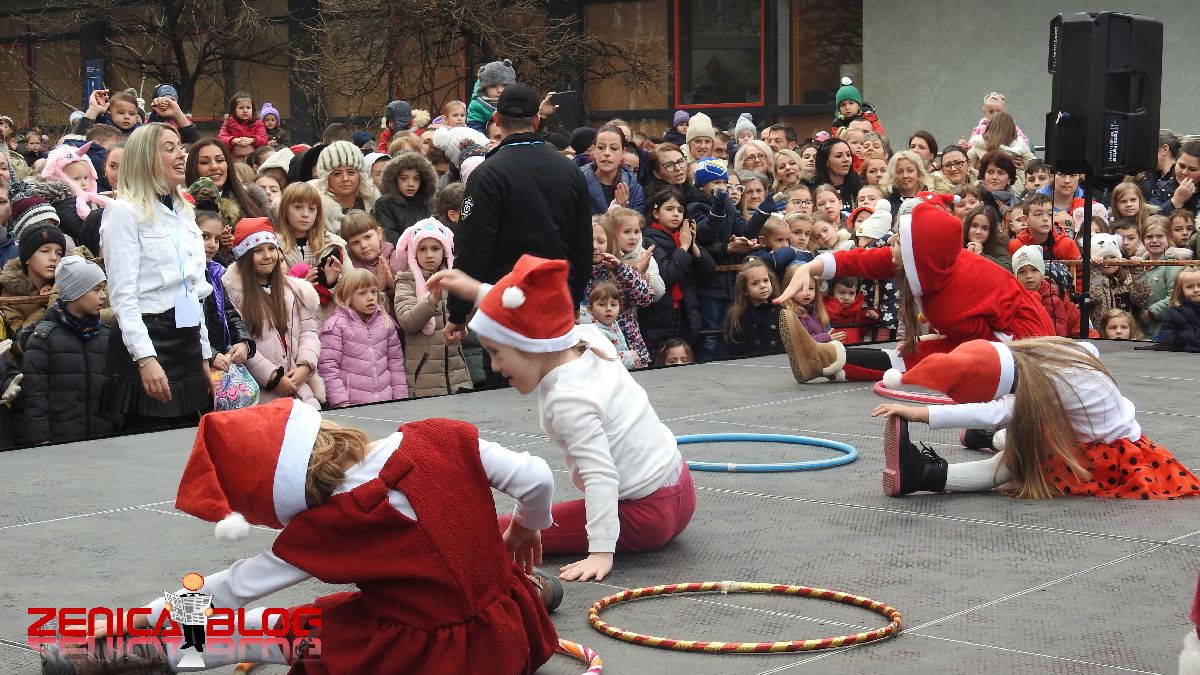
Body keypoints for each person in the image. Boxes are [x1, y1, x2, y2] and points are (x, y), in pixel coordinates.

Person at [40, 397, 562, 673]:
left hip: (431, 661)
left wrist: (134, 617)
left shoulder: (332, 524)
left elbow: (229, 589)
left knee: (275, 628)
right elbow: (537, 477)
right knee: (383, 603)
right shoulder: (440, 437)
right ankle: (530, 590)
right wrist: (524, 527)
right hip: (514, 632)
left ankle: (142, 652)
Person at [430, 255, 696, 582]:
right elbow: (533, 311)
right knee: (525, 522)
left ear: (529, 344)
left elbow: (601, 475)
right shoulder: (588, 338)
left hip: (646, 516)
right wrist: (476, 290)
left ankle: (430, 542)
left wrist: (600, 551)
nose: (495, 367)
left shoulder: (570, 399)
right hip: (681, 489)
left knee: (500, 529)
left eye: (497, 353)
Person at [873, 337, 1199, 499]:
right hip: (1092, 433)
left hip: (1101, 455)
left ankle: (924, 475)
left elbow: (993, 411)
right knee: (1022, 431)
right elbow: (1091, 349)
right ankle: (986, 436)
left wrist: (920, 412)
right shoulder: (1051, 353)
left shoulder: (1049, 387)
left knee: (1010, 464)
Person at [776, 194, 1054, 383]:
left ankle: (825, 359)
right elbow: (861, 260)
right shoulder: (925, 261)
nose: (891, 241)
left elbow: (978, 341)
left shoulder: (947, 304)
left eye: (899, 239)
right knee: (917, 355)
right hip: (997, 332)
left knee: (933, 361)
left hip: (1026, 345)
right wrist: (809, 268)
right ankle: (824, 358)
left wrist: (937, 340)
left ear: (915, 251)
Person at [447, 83, 591, 345]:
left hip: (506, 304)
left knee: (508, 370)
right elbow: (582, 245)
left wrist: (458, 311)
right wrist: (574, 299)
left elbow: (473, 249)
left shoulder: (487, 174)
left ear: (496, 119)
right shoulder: (570, 171)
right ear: (536, 120)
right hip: (556, 300)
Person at [100, 123, 213, 430]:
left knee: (188, 440)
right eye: (169, 148)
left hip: (186, 338)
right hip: (147, 338)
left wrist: (203, 354)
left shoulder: (184, 210)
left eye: (180, 147)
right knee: (150, 442)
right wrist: (145, 359)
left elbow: (194, 288)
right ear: (146, 157)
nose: (181, 155)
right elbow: (123, 296)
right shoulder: (123, 212)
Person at [222, 217, 322, 408]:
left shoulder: (294, 289)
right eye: (258, 251)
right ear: (244, 256)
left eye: (271, 248)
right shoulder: (233, 294)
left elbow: (309, 331)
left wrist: (304, 367)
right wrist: (274, 378)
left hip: (300, 389)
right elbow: (240, 342)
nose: (267, 256)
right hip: (261, 396)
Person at [22, 256, 119, 444]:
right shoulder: (43, 339)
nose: (103, 296)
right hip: (62, 440)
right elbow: (35, 397)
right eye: (96, 289)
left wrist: (117, 424)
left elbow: (115, 390)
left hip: (104, 438)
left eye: (103, 289)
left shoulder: (106, 336)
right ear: (76, 292)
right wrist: (41, 439)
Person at [318, 267, 407, 407]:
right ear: (348, 296)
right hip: (352, 405)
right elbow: (328, 367)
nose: (370, 297)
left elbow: (395, 362)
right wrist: (341, 402)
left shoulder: (385, 322)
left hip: (387, 401)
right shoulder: (336, 325)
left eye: (373, 291)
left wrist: (400, 398)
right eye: (362, 293)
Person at [582, 218, 654, 366]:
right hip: (598, 356)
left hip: (632, 352)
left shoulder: (621, 270)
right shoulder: (576, 275)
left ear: (610, 243)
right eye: (589, 241)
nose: (594, 247)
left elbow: (646, 297)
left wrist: (621, 269)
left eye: (601, 241)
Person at [195, 211, 254, 377]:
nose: (212, 245)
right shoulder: (184, 277)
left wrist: (243, 341)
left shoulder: (214, 272)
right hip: (196, 364)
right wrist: (211, 354)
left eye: (216, 239)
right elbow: (185, 327)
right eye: (205, 236)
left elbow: (228, 311)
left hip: (220, 359)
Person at [309, 141, 381, 234]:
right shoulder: (315, 211)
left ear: (360, 175)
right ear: (326, 178)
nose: (345, 179)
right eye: (337, 174)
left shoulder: (375, 204)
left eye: (351, 172)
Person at [1011, 245, 1080, 338]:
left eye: (1034, 270)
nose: (1029, 276)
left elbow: (1058, 331)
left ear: (1042, 273)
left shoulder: (1053, 301)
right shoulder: (1012, 299)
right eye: (1022, 272)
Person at [1088, 233, 1150, 332]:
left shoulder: (1126, 279)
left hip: (1124, 332)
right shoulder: (1091, 278)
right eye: (1103, 258)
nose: (1108, 261)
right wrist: (1094, 269)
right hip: (1099, 334)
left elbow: (1141, 294)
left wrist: (1137, 269)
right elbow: (1094, 297)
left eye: (1112, 257)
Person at [372, 151, 436, 244]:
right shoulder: (384, 204)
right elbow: (390, 236)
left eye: (416, 178)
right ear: (394, 179)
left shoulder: (429, 202)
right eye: (404, 178)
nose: (411, 184)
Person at [722, 259, 782, 357]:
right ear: (745, 290)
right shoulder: (739, 316)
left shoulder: (780, 311)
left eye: (766, 280)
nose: (762, 286)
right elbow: (733, 349)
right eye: (755, 283)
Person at [580, 125, 644, 215]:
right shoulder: (578, 181)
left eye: (614, 148)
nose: (606, 153)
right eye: (601, 147)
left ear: (623, 152)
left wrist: (621, 211)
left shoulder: (635, 190)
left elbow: (638, 222)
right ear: (594, 150)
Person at [1155, 265, 1200, 351]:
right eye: (1190, 287)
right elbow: (1167, 344)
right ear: (1180, 290)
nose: (1196, 290)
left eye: (1199, 285)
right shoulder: (1172, 313)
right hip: (1183, 357)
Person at [1150, 140, 1200, 216]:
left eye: (1192, 169)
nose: (1184, 172)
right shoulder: (1162, 187)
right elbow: (1150, 218)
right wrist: (1176, 201)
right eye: (1181, 166)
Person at [467, 59, 517, 133]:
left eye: (504, 85)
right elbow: (475, 130)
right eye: (493, 86)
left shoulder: (517, 102)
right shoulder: (477, 105)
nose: (499, 90)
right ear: (484, 89)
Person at [962, 204, 1012, 269]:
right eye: (974, 226)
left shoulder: (997, 247)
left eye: (985, 228)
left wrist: (981, 255)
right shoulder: (958, 244)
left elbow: (1009, 269)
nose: (978, 232)